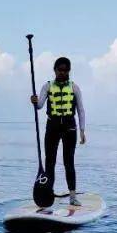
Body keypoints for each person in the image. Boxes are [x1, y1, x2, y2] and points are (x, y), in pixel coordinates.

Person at [30, 57, 86, 207]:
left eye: (65, 70)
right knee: (50, 162)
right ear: (55, 70)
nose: (62, 73)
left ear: (69, 71)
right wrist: (34, 101)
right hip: (52, 126)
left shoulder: (74, 88)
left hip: (69, 127)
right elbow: (40, 105)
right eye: (59, 70)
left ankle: (73, 197)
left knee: (69, 162)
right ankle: (48, 193)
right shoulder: (47, 86)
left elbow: (80, 110)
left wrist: (82, 131)